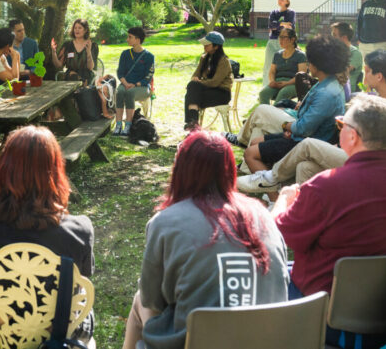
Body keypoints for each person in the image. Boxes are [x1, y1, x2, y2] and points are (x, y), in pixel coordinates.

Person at [272, 96, 386, 345]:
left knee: (262, 273)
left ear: (353, 136)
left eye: (341, 125)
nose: (340, 130)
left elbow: (278, 237)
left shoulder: (326, 186)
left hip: (325, 315)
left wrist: (283, 201)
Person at [121, 131, 288, 349]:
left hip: (196, 341)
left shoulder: (166, 222)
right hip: (266, 340)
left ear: (180, 170)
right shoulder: (264, 215)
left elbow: (153, 301)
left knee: (139, 300)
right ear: (229, 171)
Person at [0, 126, 94, 343]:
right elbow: (83, 278)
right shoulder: (80, 231)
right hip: (60, 338)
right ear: (56, 172)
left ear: (4, 170)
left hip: (5, 335)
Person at [238, 49, 386, 194]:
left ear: (379, 76)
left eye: (367, 71)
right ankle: (303, 213)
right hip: (367, 161)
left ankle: (271, 177)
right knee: (305, 167)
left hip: (376, 172)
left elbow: (378, 154)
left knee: (309, 145)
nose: (363, 75)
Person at [229, 35, 347, 171]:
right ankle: (249, 171)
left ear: (318, 64)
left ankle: (244, 144)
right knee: (256, 134)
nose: (308, 65)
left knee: (261, 112)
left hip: (303, 141)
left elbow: (304, 129)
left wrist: (286, 126)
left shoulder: (327, 93)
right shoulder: (326, 84)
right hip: (300, 133)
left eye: (310, 62)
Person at [183, 31, 233, 130]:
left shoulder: (224, 61)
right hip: (207, 90)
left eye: (207, 44)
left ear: (216, 46)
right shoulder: (204, 58)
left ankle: (192, 124)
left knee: (192, 91)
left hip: (221, 93)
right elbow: (196, 74)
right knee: (192, 90)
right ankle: (193, 123)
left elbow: (215, 82)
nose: (204, 46)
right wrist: (195, 79)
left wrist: (198, 83)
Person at [113, 26, 155, 136]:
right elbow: (120, 72)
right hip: (126, 84)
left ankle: (128, 125)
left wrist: (135, 84)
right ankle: (118, 125)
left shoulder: (149, 56)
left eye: (130, 37)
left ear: (137, 40)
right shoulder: (125, 54)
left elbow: (149, 76)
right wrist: (126, 83)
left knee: (130, 93)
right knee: (120, 92)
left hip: (142, 87)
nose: (127, 39)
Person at [257, 28, 307, 105]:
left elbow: (301, 75)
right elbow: (272, 71)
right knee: (263, 94)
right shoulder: (277, 55)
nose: (280, 40)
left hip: (293, 84)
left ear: (292, 39)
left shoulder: (300, 55)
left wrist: (286, 83)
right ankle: (267, 114)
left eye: (284, 37)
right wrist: (272, 81)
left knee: (283, 93)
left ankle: (275, 115)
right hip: (278, 82)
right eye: (280, 37)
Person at [51, 18, 99, 84]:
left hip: (86, 78)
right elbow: (58, 65)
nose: (77, 30)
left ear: (85, 30)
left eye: (80, 28)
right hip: (70, 78)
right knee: (73, 76)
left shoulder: (92, 45)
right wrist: (53, 52)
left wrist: (88, 52)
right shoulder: (67, 45)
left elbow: (90, 67)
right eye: (75, 28)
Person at [261, 0, 295, 83]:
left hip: (284, 42)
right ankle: (265, 88)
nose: (279, 1)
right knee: (268, 66)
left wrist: (277, 25)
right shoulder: (274, 12)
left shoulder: (291, 13)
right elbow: (271, 25)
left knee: (282, 66)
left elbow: (289, 27)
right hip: (272, 41)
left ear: (287, 1)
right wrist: (282, 24)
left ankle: (280, 87)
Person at [331, 22, 363, 94]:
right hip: (332, 88)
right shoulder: (333, 51)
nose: (332, 38)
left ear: (344, 38)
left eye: (334, 35)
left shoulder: (355, 53)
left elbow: (343, 72)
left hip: (345, 91)